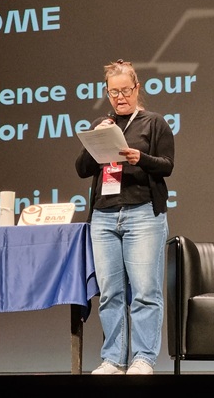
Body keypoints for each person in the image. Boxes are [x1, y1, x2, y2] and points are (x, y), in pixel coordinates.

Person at [75, 59, 175, 375]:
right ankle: (114, 359)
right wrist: (96, 139)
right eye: (113, 92)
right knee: (110, 293)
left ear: (137, 88)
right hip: (104, 216)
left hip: (143, 214)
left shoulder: (154, 123)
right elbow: (81, 169)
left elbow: (167, 165)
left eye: (125, 90)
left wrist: (140, 158)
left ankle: (143, 358)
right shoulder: (102, 124)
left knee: (145, 291)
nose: (120, 97)